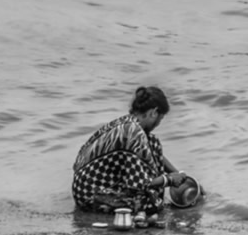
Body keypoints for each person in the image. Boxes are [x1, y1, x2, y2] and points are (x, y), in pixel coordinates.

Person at [73, 85, 187, 215]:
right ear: (153, 112)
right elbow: (141, 184)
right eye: (159, 119)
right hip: (90, 196)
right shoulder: (134, 133)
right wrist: (169, 180)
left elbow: (151, 152)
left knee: (153, 142)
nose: (158, 124)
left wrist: (182, 178)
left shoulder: (128, 123)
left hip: (83, 188)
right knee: (149, 203)